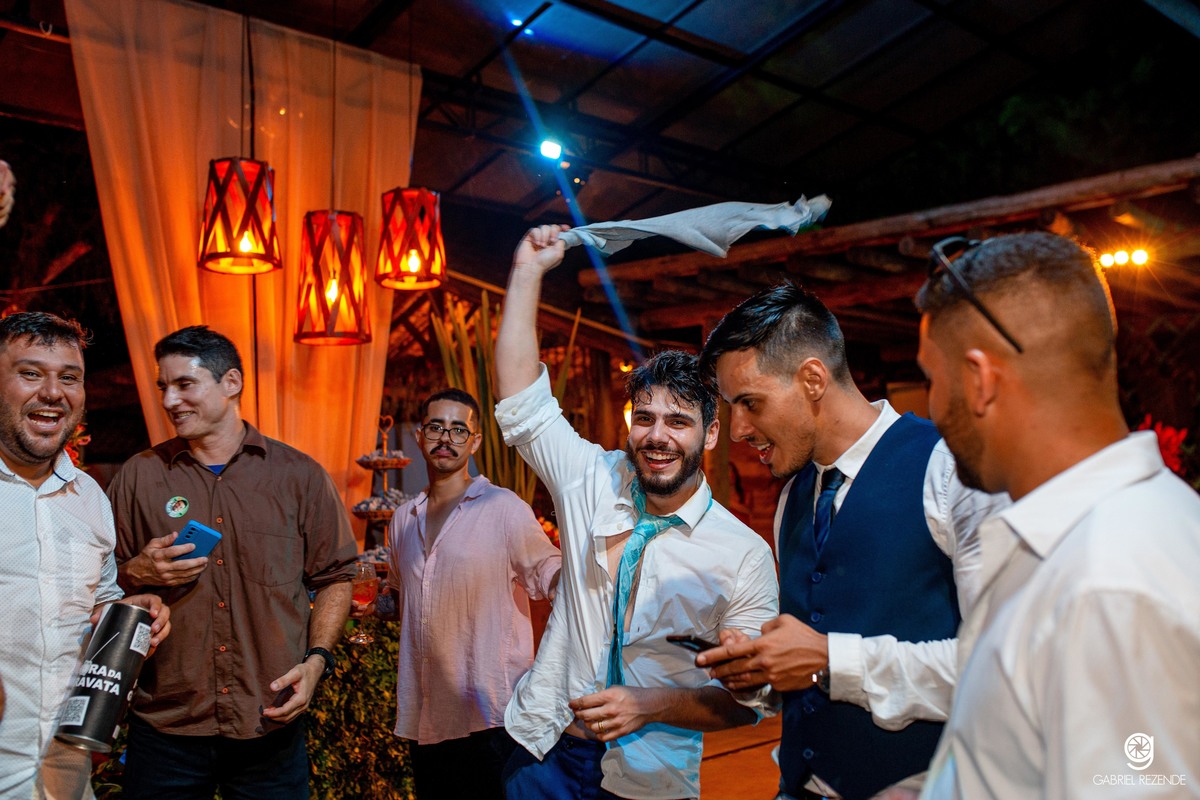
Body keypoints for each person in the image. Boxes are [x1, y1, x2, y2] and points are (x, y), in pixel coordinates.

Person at [494, 224, 780, 800]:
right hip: (543, 753)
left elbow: (751, 704)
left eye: (679, 422)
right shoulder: (591, 479)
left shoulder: (744, 556)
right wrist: (527, 272)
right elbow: (522, 400)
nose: (657, 436)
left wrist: (651, 704)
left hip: (652, 777)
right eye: (645, 418)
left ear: (710, 434)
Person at [695, 282, 1008, 800]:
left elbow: (1001, 667)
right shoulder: (793, 496)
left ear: (812, 379)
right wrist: (763, 676)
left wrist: (829, 659)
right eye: (732, 407)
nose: (737, 430)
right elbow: (810, 664)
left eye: (750, 403)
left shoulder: (949, 470)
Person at [914, 232, 1200, 797]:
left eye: (930, 379)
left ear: (980, 380)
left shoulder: (1105, 588)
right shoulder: (1128, 525)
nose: (932, 406)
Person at [108, 325, 357, 799]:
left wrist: (317, 661)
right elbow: (100, 582)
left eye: (185, 384)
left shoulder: (299, 476)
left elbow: (336, 577)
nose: (169, 400)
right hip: (165, 724)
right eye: (163, 386)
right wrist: (137, 571)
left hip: (269, 719)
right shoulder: (139, 476)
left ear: (232, 382)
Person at [360, 387, 562, 800]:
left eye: (458, 430)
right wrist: (366, 604)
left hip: (491, 715)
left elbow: (547, 570)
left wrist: (581, 582)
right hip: (426, 714)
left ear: (475, 442)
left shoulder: (503, 508)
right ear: (420, 436)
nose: (446, 439)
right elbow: (402, 598)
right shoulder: (403, 519)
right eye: (436, 428)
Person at [0, 311, 170, 799]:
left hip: (65, 774)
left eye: (70, 378)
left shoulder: (90, 496)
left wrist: (128, 611)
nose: (53, 392)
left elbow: (98, 602)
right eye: (30, 373)